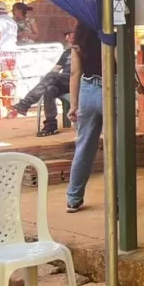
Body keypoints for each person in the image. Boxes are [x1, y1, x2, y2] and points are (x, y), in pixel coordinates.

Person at [65, 22, 103, 213]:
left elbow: (75, 72)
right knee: (121, 149)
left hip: (87, 89)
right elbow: (119, 62)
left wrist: (74, 104)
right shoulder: (112, 25)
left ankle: (73, 198)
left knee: (84, 147)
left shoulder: (80, 32)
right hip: (112, 86)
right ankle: (120, 200)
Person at [9, 29, 74, 135]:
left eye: (71, 35)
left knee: (53, 78)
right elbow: (56, 69)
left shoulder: (84, 50)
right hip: (63, 81)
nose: (68, 37)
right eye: (67, 35)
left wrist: (50, 77)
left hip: (77, 81)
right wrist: (46, 80)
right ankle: (51, 125)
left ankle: (25, 103)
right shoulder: (67, 53)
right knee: (49, 89)